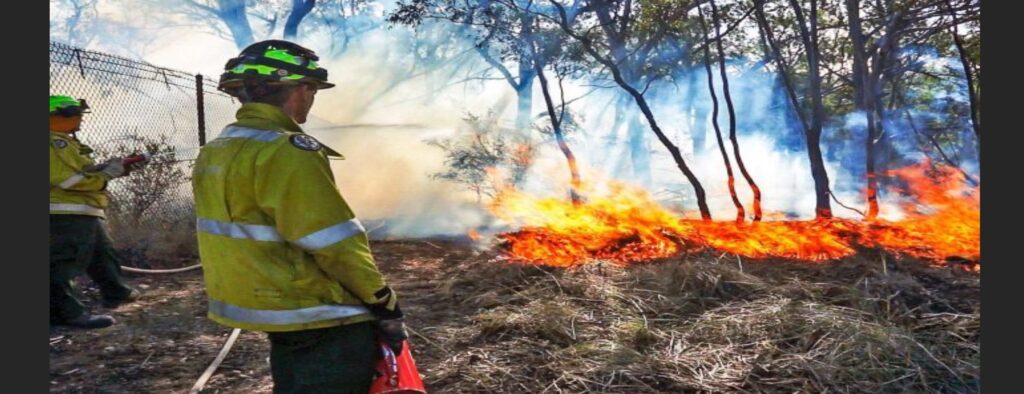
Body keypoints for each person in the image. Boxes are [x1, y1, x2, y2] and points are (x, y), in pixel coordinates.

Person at [191, 40, 407, 393]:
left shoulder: (217, 148)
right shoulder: (286, 149)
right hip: (314, 309)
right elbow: (333, 242)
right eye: (312, 89)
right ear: (301, 88)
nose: (311, 98)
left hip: (267, 303)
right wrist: (382, 301)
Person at [50, 95, 142, 329]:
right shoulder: (53, 143)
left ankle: (117, 293)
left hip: (83, 210)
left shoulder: (64, 142)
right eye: (77, 115)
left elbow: (81, 171)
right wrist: (106, 176)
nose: (81, 119)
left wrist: (113, 168)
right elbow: (67, 181)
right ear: (62, 116)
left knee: (102, 253)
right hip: (63, 212)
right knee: (62, 263)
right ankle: (65, 314)